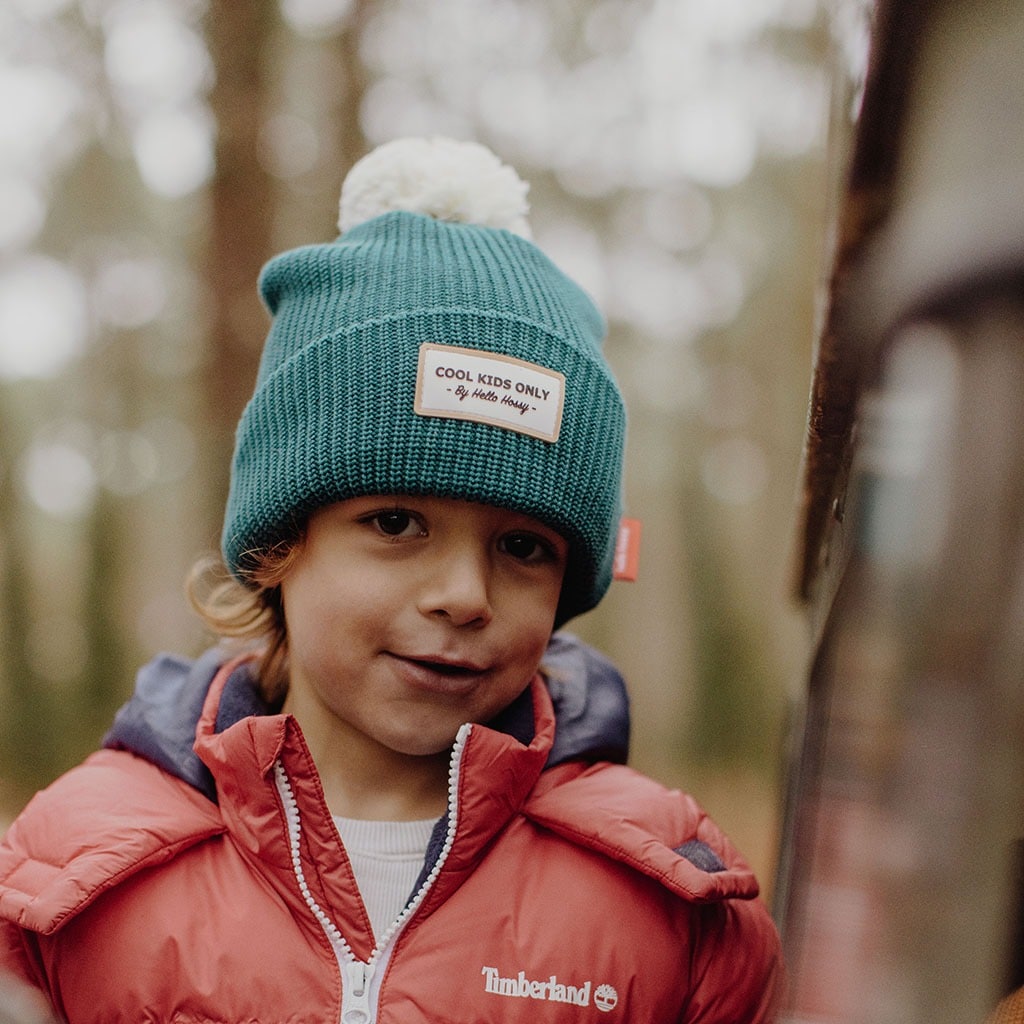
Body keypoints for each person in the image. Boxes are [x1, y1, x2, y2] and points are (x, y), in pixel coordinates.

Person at [0, 137, 783, 1022]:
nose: (465, 595)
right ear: (280, 544)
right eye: (397, 524)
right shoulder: (65, 884)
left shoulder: (677, 909)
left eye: (524, 546)